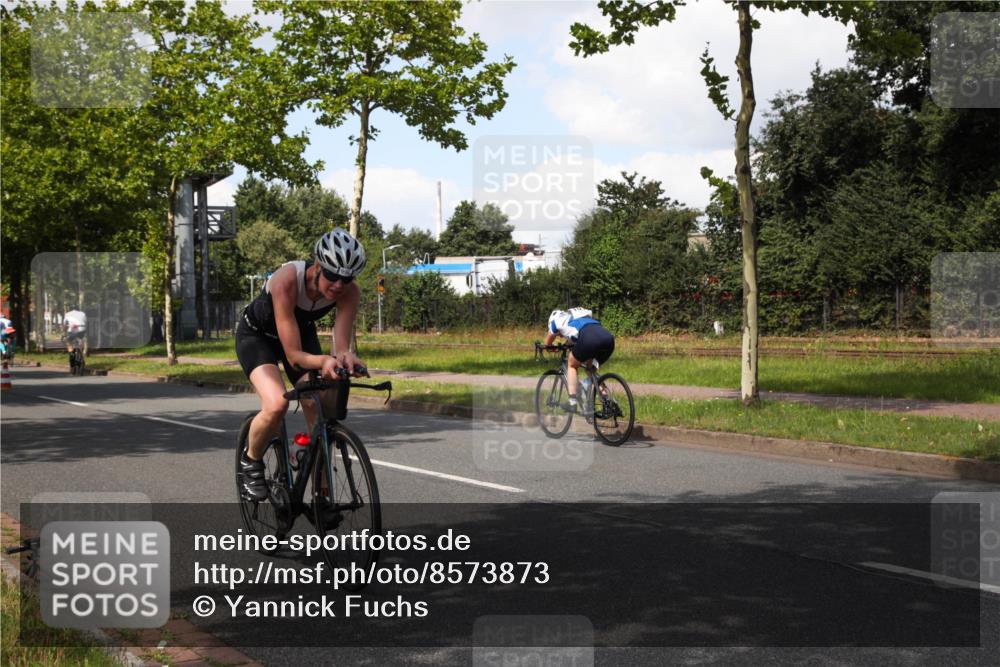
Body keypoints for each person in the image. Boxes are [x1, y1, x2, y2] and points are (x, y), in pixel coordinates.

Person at [235, 228, 368, 501]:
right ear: (318, 266)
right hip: (258, 337)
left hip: (298, 332)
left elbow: (341, 345)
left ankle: (321, 489)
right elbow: (294, 355)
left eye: (347, 278)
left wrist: (346, 356)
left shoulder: (349, 293)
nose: (338, 285)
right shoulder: (287, 281)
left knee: (315, 401)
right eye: (332, 275)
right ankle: (251, 461)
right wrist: (324, 361)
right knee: (276, 404)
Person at [543, 307, 615, 412]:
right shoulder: (576, 318)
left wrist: (550, 348)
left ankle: (572, 402)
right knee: (589, 368)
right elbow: (574, 340)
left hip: (589, 339)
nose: (560, 336)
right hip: (608, 339)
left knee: (571, 364)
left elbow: (547, 343)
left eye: (559, 335)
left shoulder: (555, 321)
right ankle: (606, 398)